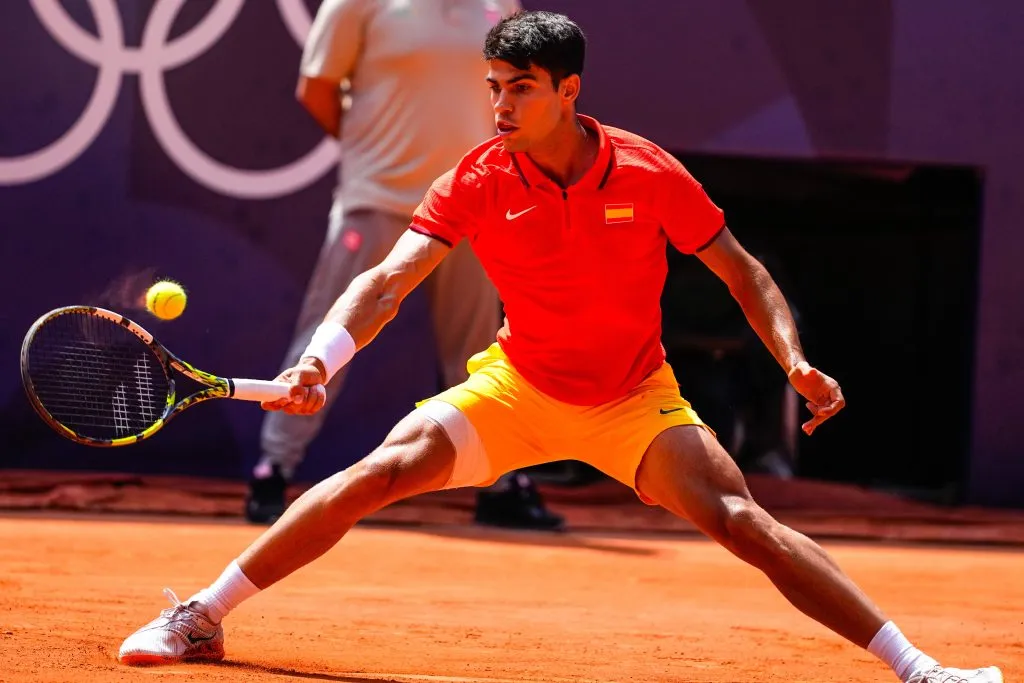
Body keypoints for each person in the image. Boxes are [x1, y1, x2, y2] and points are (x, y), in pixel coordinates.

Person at [119, 12, 1001, 683]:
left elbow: (744, 272)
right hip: (517, 388)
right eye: (494, 85)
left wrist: (793, 360)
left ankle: (919, 667)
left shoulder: (649, 171)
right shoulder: (476, 177)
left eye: (521, 87)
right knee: (371, 475)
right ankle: (203, 614)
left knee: (744, 523)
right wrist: (322, 359)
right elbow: (387, 280)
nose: (500, 104)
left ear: (569, 90)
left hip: (633, 400)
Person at [247, 0, 563, 531]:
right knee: (330, 331)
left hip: (472, 203)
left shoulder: (500, 5)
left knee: (480, 350)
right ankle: (273, 469)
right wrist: (372, 153)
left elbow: (515, 91)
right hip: (378, 196)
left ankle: (499, 483)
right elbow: (317, 88)